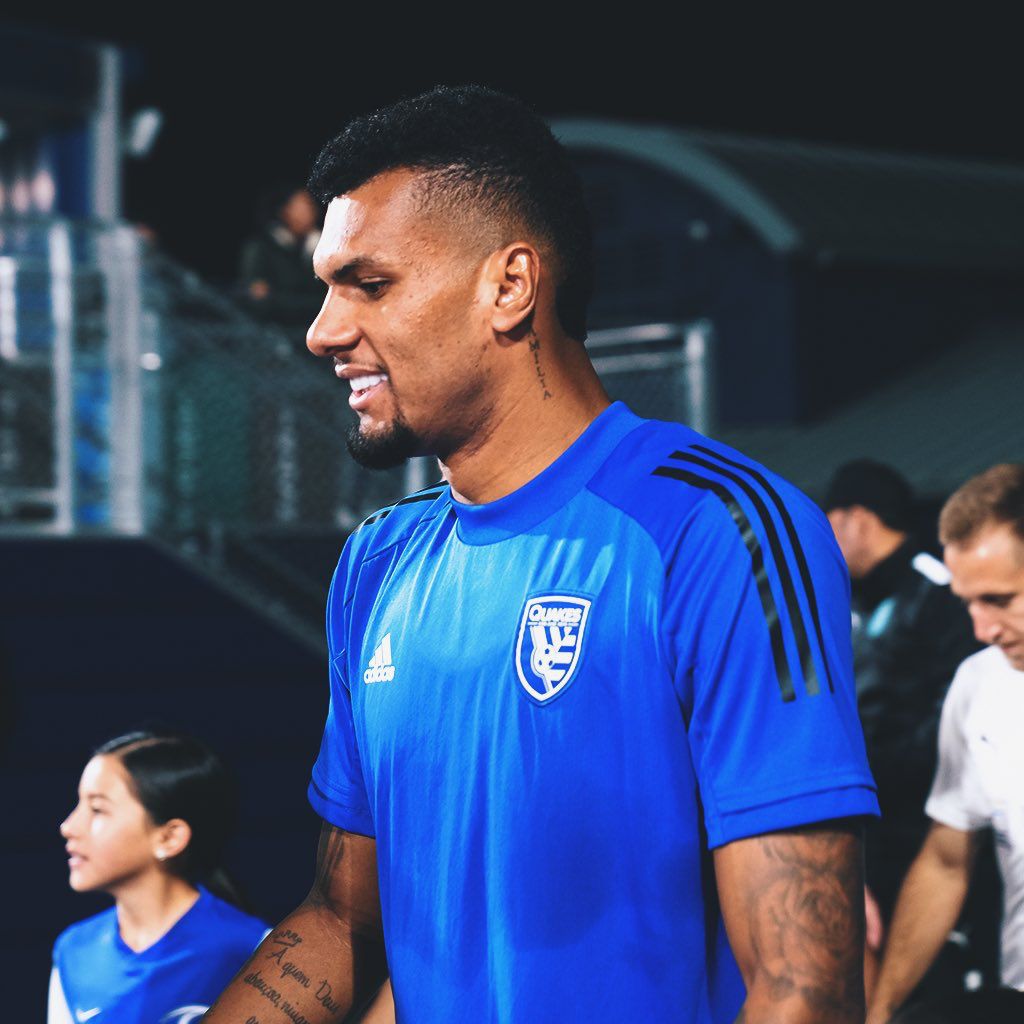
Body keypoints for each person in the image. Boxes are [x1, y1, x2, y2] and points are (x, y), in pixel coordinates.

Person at [206, 85, 879, 1024]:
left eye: (370, 284)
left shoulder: (722, 531)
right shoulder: (376, 566)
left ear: (510, 286)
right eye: (325, 287)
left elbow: (804, 989)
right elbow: (341, 922)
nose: (322, 330)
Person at [866, 464, 1024, 1023]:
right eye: (969, 603)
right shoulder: (980, 683)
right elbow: (945, 861)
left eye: (999, 599)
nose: (982, 629)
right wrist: (881, 1011)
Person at [824, 463, 979, 923]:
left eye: (830, 520)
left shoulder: (939, 591)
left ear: (857, 519)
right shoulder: (851, 597)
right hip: (870, 823)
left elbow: (955, 706)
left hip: (925, 826)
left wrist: (881, 773)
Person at [50, 731, 269, 1023]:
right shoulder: (74, 950)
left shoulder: (256, 949)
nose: (68, 827)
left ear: (169, 837)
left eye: (97, 809)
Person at [238, 185, 324, 327]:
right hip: (274, 329)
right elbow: (260, 300)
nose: (309, 212)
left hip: (315, 325)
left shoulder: (322, 247)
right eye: (300, 206)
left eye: (310, 206)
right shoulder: (261, 248)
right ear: (284, 211)